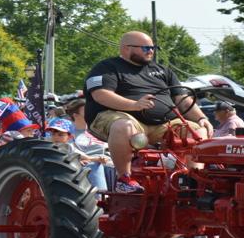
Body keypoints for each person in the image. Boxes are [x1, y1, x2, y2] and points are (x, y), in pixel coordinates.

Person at [84, 31, 212, 193]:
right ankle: (124, 179)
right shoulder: (107, 67)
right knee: (124, 126)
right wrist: (134, 105)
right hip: (119, 117)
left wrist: (201, 118)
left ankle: (193, 182)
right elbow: (101, 95)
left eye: (153, 47)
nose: (151, 51)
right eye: (145, 48)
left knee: (197, 131)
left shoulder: (163, 71)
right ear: (126, 48)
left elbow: (182, 98)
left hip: (163, 124)